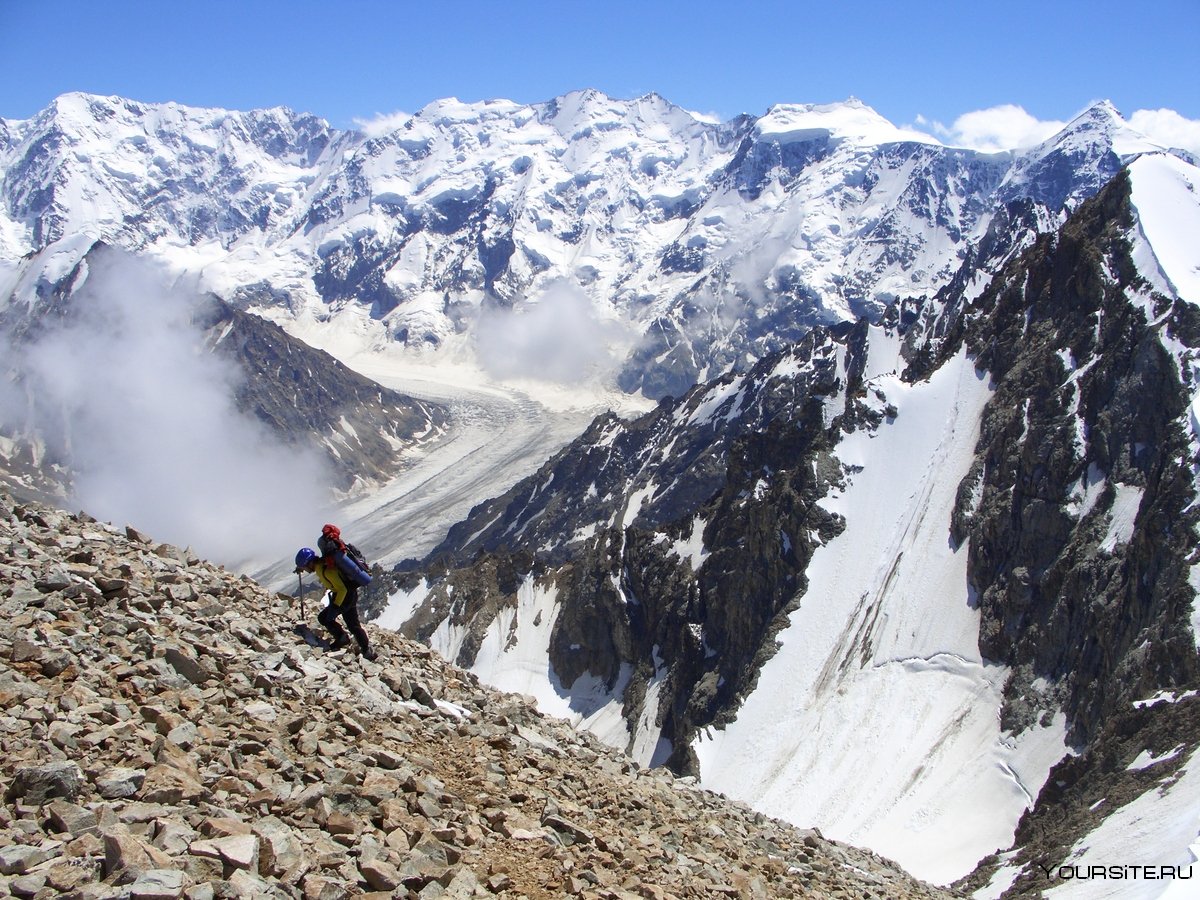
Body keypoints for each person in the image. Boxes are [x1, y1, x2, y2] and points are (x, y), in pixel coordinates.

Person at [293, 543, 376, 661]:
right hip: (350, 594)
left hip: (345, 597)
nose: (305, 570)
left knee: (324, 618)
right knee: (353, 625)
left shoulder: (325, 571)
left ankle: (342, 638)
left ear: (309, 563)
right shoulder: (322, 564)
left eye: (305, 567)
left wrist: (336, 606)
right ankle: (367, 650)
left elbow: (342, 589)